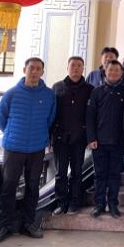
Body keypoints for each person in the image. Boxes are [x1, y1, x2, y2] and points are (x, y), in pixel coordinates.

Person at [0, 57, 56, 244]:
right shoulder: (12, 93)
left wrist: (40, 136)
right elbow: (0, 117)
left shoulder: (49, 95)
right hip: (14, 147)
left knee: (33, 186)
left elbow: (50, 119)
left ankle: (29, 223)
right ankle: (7, 224)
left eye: (38, 69)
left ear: (42, 72)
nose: (34, 72)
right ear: (24, 70)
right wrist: (12, 133)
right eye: (31, 68)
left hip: (37, 147)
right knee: (9, 186)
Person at [86, 60, 124, 218]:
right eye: (111, 70)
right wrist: (91, 138)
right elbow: (90, 117)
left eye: (117, 70)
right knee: (100, 175)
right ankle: (99, 204)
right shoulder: (97, 91)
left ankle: (113, 204)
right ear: (105, 71)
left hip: (118, 141)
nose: (113, 73)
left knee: (114, 175)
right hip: (99, 141)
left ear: (121, 73)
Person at [51, 56, 93, 216]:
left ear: (83, 68)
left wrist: (90, 137)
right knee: (60, 173)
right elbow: (52, 114)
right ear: (67, 68)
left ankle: (75, 202)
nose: (76, 68)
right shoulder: (57, 87)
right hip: (60, 138)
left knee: (77, 172)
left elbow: (91, 116)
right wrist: (50, 138)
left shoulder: (90, 89)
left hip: (79, 138)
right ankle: (61, 203)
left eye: (79, 65)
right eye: (73, 65)